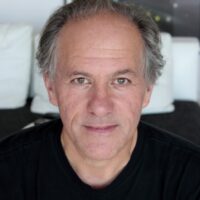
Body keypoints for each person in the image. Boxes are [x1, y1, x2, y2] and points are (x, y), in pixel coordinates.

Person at [0, 0, 200, 199]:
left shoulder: (192, 177)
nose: (100, 107)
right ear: (51, 87)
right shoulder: (6, 172)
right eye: (80, 80)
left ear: (148, 90)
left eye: (121, 80)